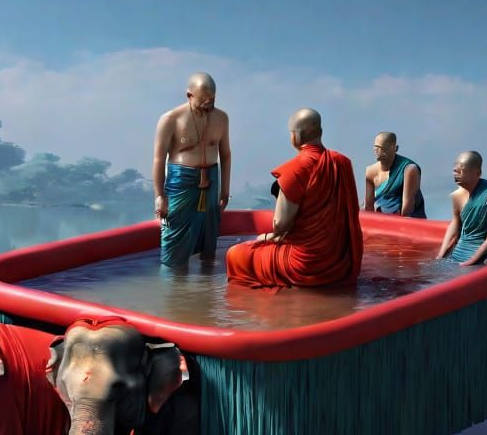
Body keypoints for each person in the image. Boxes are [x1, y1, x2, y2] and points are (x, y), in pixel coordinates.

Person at [225, 108, 363, 287]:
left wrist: (265, 237)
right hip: (341, 263)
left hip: (305, 265)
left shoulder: (295, 169)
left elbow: (281, 225)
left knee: (235, 254)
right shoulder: (343, 163)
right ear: (320, 132)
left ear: (295, 137)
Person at [152, 72, 232, 268]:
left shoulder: (221, 118)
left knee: (209, 239)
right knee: (174, 242)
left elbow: (226, 154)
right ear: (189, 95)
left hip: (211, 178)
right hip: (181, 179)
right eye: (203, 99)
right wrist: (160, 196)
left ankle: (207, 293)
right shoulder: (171, 119)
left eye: (211, 99)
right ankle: (173, 291)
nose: (207, 103)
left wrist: (225, 191)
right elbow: (158, 158)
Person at [436, 151, 487, 266]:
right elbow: (455, 223)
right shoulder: (457, 195)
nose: (456, 173)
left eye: (461, 170)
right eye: (455, 170)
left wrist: (469, 263)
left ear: (478, 172)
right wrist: (440, 255)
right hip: (461, 250)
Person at [363, 132, 426, 217]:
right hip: (379, 219)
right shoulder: (370, 171)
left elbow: (407, 210)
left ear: (395, 148)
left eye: (383, 148)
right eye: (376, 147)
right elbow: (368, 208)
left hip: (405, 223)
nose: (378, 151)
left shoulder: (409, 169)